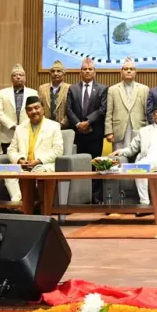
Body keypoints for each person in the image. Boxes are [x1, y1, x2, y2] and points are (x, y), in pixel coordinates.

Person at [4, 96, 64, 202]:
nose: (34, 111)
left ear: (43, 108)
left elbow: (58, 150)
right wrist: (20, 160)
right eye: (30, 109)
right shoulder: (20, 128)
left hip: (43, 164)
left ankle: (28, 202)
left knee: (38, 171)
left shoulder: (54, 126)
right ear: (26, 112)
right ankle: (17, 201)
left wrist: (38, 161)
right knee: (8, 170)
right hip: (24, 165)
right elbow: (11, 150)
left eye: (37, 108)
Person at [66, 58, 108, 203]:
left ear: (95, 72)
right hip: (78, 134)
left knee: (95, 164)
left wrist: (88, 121)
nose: (87, 71)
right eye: (85, 69)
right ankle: (81, 196)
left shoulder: (102, 89)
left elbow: (102, 109)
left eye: (90, 69)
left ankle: (95, 197)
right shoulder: (73, 89)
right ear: (80, 72)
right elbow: (69, 109)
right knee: (79, 165)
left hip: (95, 133)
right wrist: (78, 124)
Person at [105, 58, 149, 151]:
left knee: (137, 157)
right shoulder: (113, 89)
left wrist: (148, 130)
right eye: (126, 69)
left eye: (131, 69)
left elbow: (147, 113)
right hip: (119, 131)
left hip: (138, 128)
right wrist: (109, 132)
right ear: (121, 72)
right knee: (119, 157)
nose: (128, 71)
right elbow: (109, 113)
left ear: (135, 72)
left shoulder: (144, 89)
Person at [0, 64, 38, 153]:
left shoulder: (33, 92)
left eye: (21, 75)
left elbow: (36, 112)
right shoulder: (3, 92)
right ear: (11, 79)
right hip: (8, 134)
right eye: (15, 75)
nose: (18, 77)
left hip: (27, 132)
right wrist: (12, 126)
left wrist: (23, 127)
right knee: (7, 160)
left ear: (25, 78)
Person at [38, 60, 70, 129]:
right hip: (46, 127)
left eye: (58, 71)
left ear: (64, 74)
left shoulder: (70, 88)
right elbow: (39, 107)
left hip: (64, 128)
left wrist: (61, 124)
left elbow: (71, 110)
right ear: (50, 74)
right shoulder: (42, 88)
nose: (55, 73)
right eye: (53, 71)